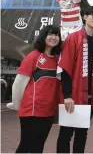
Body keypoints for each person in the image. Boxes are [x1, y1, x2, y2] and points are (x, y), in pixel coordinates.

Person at [56, 6, 93, 153]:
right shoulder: (73, 38)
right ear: (84, 17)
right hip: (73, 96)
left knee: (82, 134)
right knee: (66, 134)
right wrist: (67, 95)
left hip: (90, 98)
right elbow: (64, 68)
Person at [8, 25, 62, 153]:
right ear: (43, 36)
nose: (53, 37)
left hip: (48, 112)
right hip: (31, 112)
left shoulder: (57, 60)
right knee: (26, 145)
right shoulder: (33, 56)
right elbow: (18, 84)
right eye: (50, 34)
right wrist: (18, 105)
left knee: (39, 146)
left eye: (56, 35)